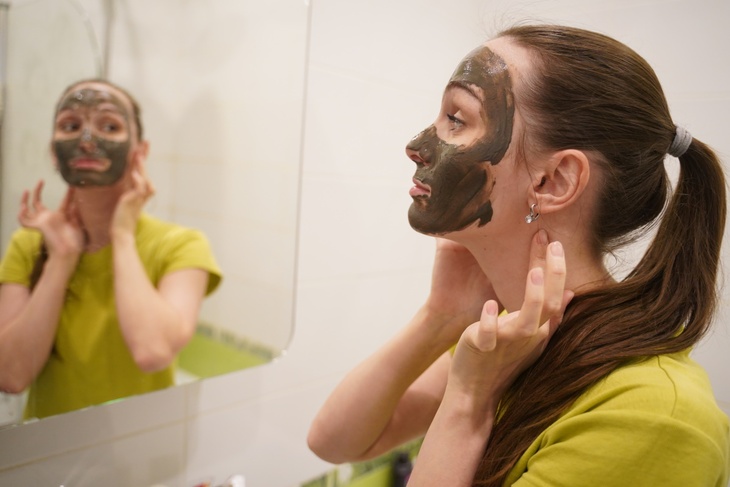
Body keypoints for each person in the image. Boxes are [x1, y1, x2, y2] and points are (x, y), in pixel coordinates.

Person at [307, 24, 729, 486]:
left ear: (554, 181)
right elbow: (336, 442)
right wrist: (441, 316)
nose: (416, 146)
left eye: (456, 119)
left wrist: (469, 401)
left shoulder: (652, 417)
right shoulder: (514, 339)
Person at [0, 79, 222, 420]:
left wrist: (122, 236)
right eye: (70, 126)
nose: (87, 141)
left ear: (140, 152)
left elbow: (152, 351)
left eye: (109, 126)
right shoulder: (28, 244)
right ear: (53, 151)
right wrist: (61, 258)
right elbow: (10, 376)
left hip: (143, 444)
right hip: (45, 446)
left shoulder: (180, 245)